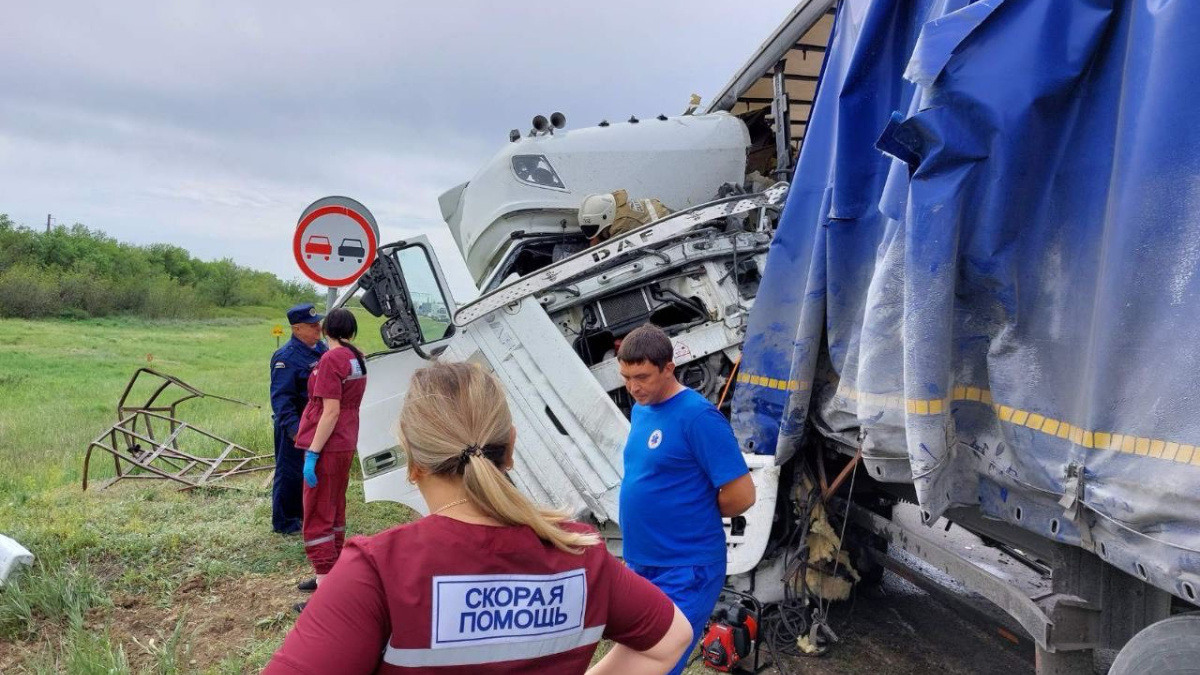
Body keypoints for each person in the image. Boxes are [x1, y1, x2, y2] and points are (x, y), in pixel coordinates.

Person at [265, 362, 693, 674]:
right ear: (510, 448)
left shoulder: (378, 569)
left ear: (412, 460)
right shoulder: (581, 551)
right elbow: (670, 640)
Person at [616, 324, 757, 675]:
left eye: (643, 376)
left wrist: (693, 513)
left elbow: (742, 495)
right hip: (642, 562)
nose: (634, 387)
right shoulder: (641, 409)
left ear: (669, 367)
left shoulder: (698, 417)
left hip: (685, 569)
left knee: (657, 665)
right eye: (626, 377)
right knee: (633, 657)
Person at [292, 308, 368, 607]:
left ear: (325, 329)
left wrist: (313, 452)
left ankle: (326, 586)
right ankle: (332, 571)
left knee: (317, 512)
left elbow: (330, 410)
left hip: (328, 442)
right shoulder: (354, 356)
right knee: (334, 507)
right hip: (346, 439)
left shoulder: (332, 359)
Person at [269, 303, 328, 535]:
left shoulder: (319, 349)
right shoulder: (286, 358)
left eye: (319, 325)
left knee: (311, 471)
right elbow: (281, 399)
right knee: (289, 471)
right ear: (297, 329)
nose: (318, 330)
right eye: (312, 326)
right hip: (294, 425)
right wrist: (294, 430)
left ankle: (305, 514)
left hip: (316, 422)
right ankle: (284, 522)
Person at [578, 189, 672, 244]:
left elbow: (609, 253)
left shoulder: (622, 225)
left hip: (665, 233)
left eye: (600, 233)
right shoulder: (614, 204)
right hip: (661, 211)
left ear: (605, 217)